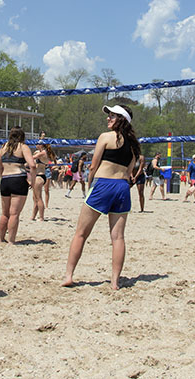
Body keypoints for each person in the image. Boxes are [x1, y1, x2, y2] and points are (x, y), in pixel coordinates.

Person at [62, 104, 140, 290]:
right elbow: (130, 173)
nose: (108, 118)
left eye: (112, 116)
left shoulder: (105, 137)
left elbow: (93, 165)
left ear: (121, 119)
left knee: (81, 233)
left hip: (103, 184)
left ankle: (68, 275)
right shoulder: (134, 146)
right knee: (118, 237)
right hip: (122, 188)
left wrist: (90, 186)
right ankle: (114, 282)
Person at [0, 127, 36, 244]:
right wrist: (32, 181)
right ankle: (11, 240)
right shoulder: (23, 147)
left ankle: (1, 238)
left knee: (5, 213)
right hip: (18, 178)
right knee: (14, 213)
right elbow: (32, 165)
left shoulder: (4, 147)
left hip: (5, 179)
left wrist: (2, 176)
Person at [29, 143, 50, 221]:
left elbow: (31, 157)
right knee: (35, 198)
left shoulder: (43, 153)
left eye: (38, 144)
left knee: (38, 198)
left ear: (41, 145)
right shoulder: (41, 152)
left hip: (40, 176)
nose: (36, 144)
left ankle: (41, 217)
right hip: (37, 176)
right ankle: (33, 216)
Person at [131, 146, 147, 212]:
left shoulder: (141, 158)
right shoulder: (131, 157)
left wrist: (136, 177)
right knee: (124, 191)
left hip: (140, 176)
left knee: (140, 192)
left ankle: (142, 209)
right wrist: (132, 176)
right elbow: (130, 168)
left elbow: (140, 169)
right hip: (131, 175)